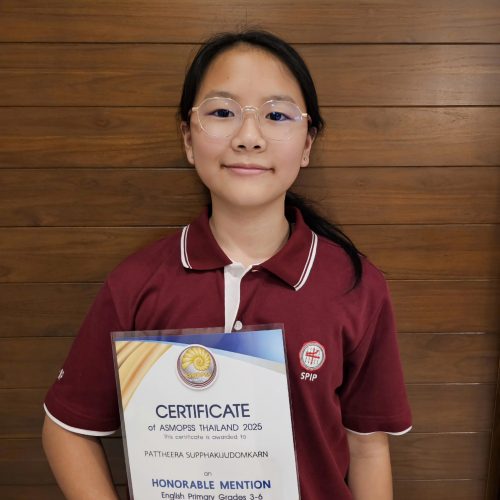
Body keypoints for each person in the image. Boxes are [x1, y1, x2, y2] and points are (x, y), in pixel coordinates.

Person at [42, 30, 412, 500]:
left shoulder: (355, 285)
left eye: (276, 115)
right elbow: (67, 428)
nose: (248, 137)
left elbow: (367, 447)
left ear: (307, 144)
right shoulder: (136, 283)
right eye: (222, 112)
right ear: (188, 138)